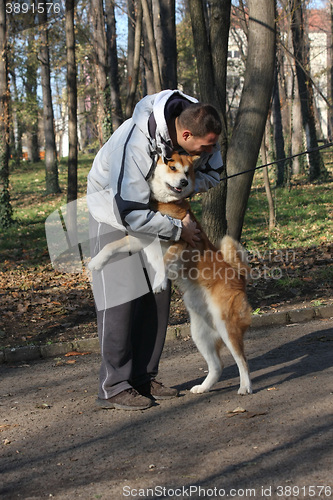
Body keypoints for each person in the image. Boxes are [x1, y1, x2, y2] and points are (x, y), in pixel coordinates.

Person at [87, 89, 223, 410]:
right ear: (186, 135)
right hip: (113, 208)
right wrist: (178, 228)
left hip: (158, 205)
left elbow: (214, 174)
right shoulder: (133, 142)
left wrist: (186, 184)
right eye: (207, 147)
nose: (213, 151)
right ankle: (113, 385)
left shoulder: (201, 125)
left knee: (157, 291)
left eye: (215, 144)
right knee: (120, 296)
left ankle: (142, 376)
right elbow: (131, 212)